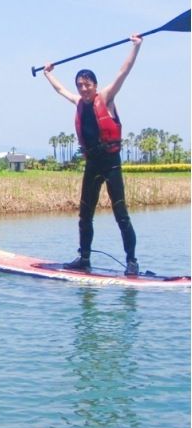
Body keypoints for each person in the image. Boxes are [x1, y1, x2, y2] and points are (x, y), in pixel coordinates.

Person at [42, 34, 142, 276]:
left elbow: (123, 72)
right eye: (80, 85)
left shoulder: (106, 98)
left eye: (87, 84)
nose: (83, 88)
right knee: (85, 214)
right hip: (93, 165)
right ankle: (84, 259)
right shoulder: (78, 102)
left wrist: (135, 47)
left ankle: (131, 261)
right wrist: (47, 73)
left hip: (111, 165)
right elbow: (59, 90)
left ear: (95, 85)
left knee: (121, 214)